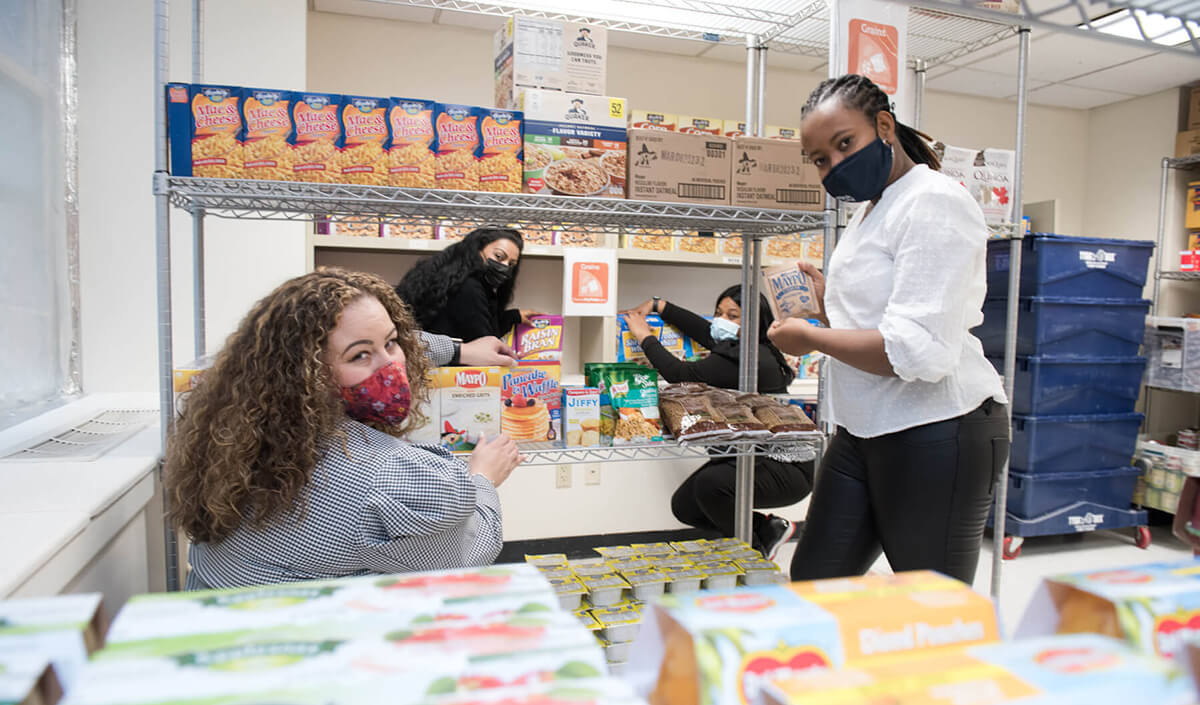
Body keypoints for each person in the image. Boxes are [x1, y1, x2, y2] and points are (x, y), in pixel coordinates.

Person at [767, 74, 1010, 584]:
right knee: (816, 580)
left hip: (939, 428)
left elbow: (917, 352)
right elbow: (881, 323)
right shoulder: (871, 210)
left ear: (884, 126)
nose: (833, 165)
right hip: (864, 427)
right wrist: (828, 306)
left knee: (931, 604)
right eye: (819, 159)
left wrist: (811, 338)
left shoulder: (933, 200)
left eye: (843, 144)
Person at [165, 268, 523, 589]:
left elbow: (386, 342)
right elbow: (468, 551)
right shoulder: (384, 479)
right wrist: (482, 478)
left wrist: (458, 351)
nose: (392, 366)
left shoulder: (236, 432)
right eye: (360, 356)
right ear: (306, 373)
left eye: (391, 342)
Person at [622, 285, 814, 560]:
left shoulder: (753, 358)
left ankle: (754, 552)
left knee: (711, 486)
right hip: (750, 458)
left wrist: (644, 335)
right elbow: (706, 332)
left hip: (786, 468)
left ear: (755, 322)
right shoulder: (743, 348)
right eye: (718, 313)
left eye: (733, 315)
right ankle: (765, 529)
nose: (722, 321)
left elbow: (679, 373)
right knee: (685, 506)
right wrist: (659, 305)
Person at [396, 227, 541, 342]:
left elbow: (476, 327)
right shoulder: (469, 287)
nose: (504, 266)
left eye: (511, 264)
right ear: (478, 249)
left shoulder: (455, 279)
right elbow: (486, 344)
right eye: (498, 256)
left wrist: (514, 316)